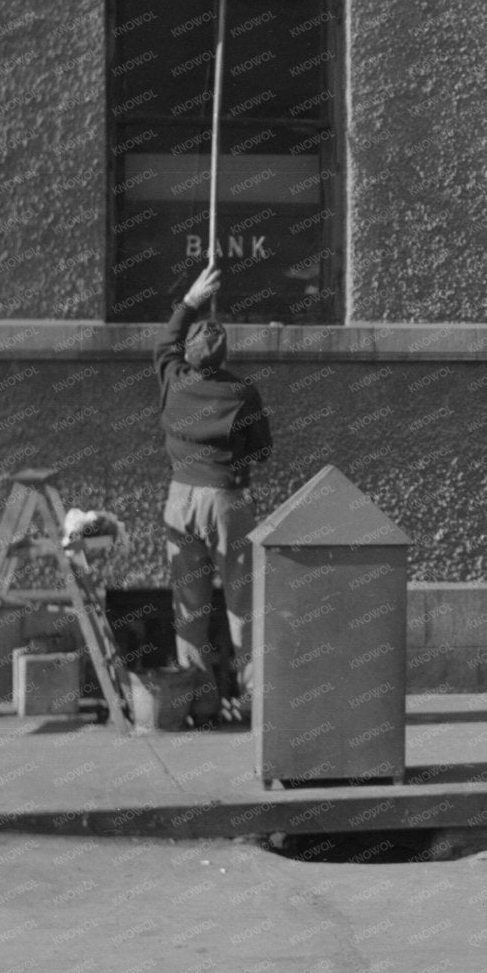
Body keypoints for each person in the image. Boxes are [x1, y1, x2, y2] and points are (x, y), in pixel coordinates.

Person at [156, 264, 272, 725]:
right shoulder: (241, 392)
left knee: (190, 606)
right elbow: (262, 449)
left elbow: (163, 342)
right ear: (223, 355)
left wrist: (190, 299)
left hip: (179, 499)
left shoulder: (172, 379)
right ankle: (251, 702)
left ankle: (198, 702)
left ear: (188, 354)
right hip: (226, 498)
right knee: (242, 604)